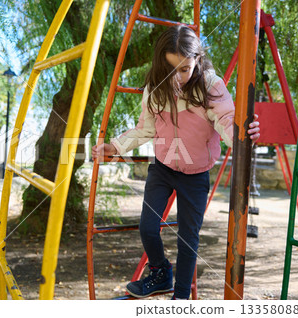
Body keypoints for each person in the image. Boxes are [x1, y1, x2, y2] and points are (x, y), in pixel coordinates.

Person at [91, 25, 260, 300]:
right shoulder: (155, 91)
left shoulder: (210, 86)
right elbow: (145, 129)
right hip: (163, 168)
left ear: (197, 60)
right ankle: (160, 273)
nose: (178, 77)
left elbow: (226, 120)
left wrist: (242, 135)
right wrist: (116, 146)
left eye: (184, 69)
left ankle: (180, 297)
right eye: (170, 70)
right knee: (147, 226)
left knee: (187, 238)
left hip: (196, 173)